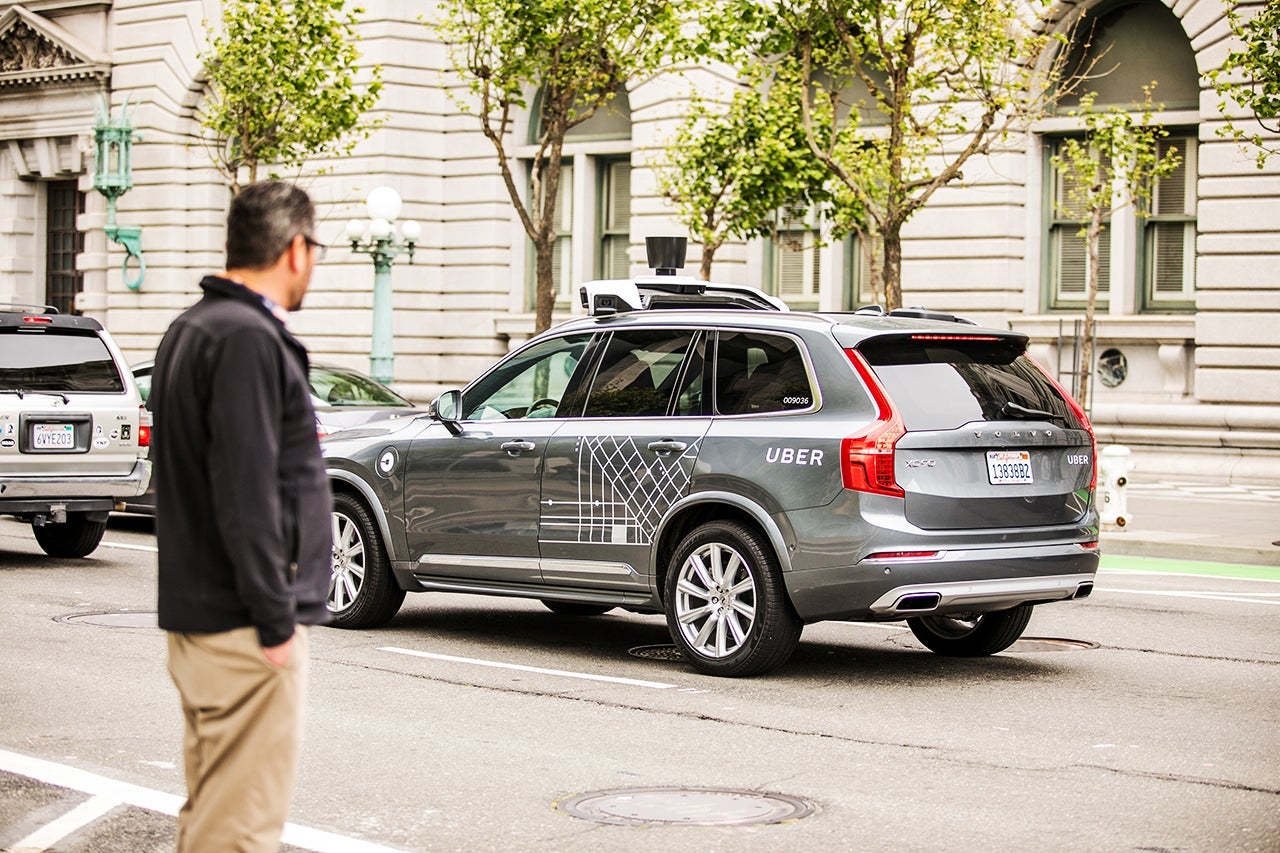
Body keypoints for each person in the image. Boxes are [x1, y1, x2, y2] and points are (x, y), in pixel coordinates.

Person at [150, 180, 333, 852]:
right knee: (242, 830)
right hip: (244, 626)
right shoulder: (246, 339)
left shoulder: (191, 329)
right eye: (314, 248)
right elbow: (248, 491)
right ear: (293, 249)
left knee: (211, 815)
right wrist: (276, 620)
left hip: (202, 619)